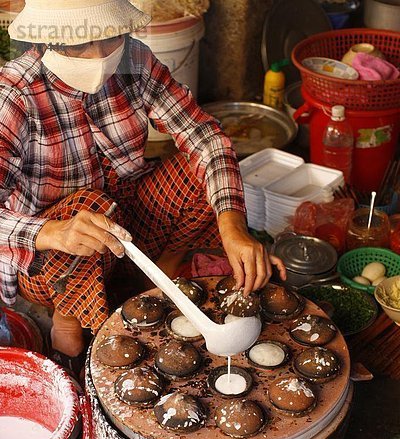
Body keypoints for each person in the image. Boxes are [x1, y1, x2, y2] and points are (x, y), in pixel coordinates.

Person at [0, 0, 285, 378]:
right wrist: (54, 233)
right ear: (48, 40)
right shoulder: (15, 96)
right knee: (89, 207)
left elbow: (206, 139)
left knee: (196, 173)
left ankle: (159, 284)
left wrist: (233, 228)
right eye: (81, 44)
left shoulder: (134, 59)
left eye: (110, 37)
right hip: (51, 262)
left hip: (129, 219)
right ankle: (68, 326)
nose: (101, 55)